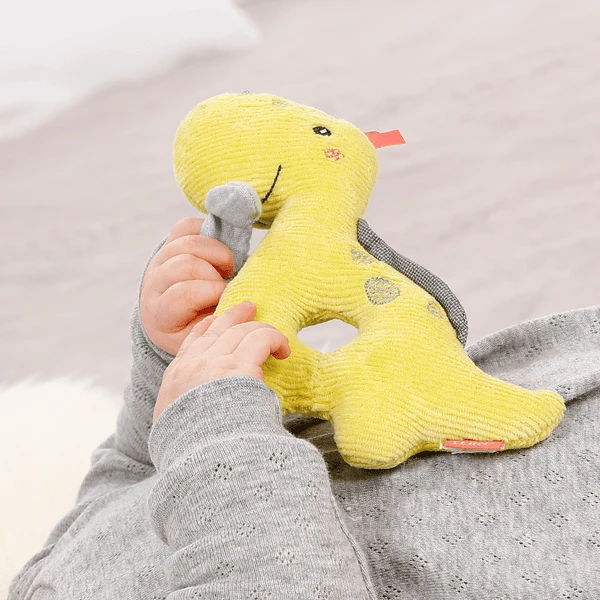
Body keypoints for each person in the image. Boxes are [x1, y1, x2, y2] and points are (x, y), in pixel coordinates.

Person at [8, 217, 600, 599]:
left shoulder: (35, 583)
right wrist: (213, 428)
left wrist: (172, 356)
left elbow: (129, 471)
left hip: (528, 381)